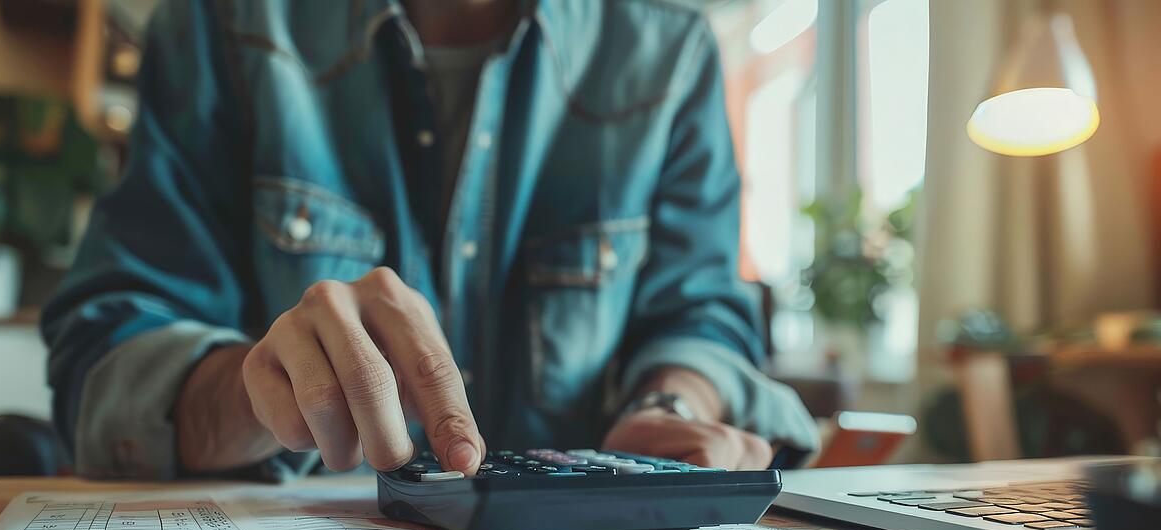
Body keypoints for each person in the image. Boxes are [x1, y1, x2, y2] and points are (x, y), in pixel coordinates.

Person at [42, 0, 818, 481]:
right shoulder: (218, 28)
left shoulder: (671, 55)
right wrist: (258, 395)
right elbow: (103, 362)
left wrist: (672, 403)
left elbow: (699, 316)